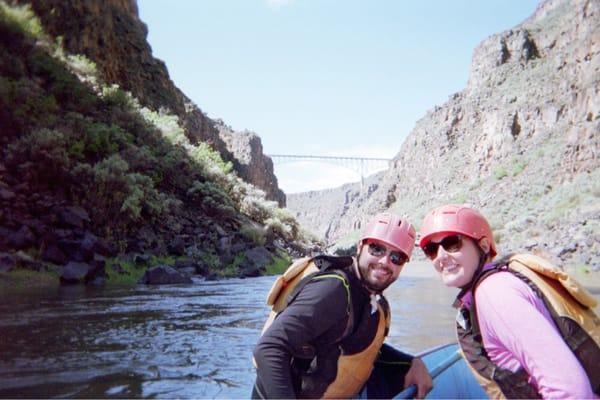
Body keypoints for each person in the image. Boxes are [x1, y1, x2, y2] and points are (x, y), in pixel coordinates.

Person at [418, 204, 600, 398]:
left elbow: (571, 391)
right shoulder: (496, 286)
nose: (441, 257)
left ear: (484, 245)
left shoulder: (494, 293)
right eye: (431, 249)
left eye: (452, 243)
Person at [252, 212, 433, 399]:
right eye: (377, 249)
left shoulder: (374, 301)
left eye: (397, 257)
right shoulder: (333, 290)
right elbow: (269, 348)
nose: (384, 262)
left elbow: (362, 349)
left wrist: (410, 364)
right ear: (360, 246)